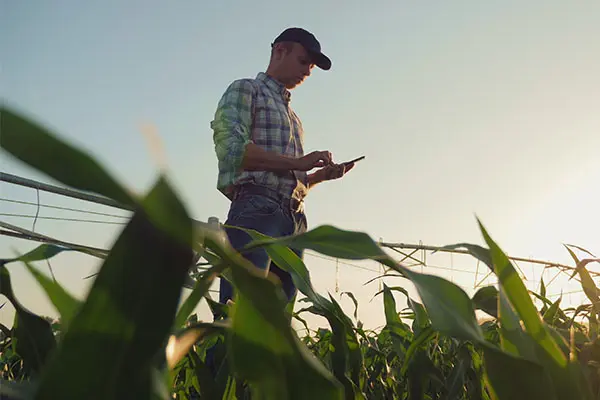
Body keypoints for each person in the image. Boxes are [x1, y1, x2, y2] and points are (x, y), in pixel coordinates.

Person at [210, 27, 355, 311]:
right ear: (280, 51)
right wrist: (297, 163)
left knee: (276, 328)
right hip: (256, 211)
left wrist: (317, 177)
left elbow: (285, 179)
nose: (308, 72)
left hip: (294, 221)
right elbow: (232, 151)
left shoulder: (293, 118)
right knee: (238, 316)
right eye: (304, 62)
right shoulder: (246, 89)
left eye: (312, 67)